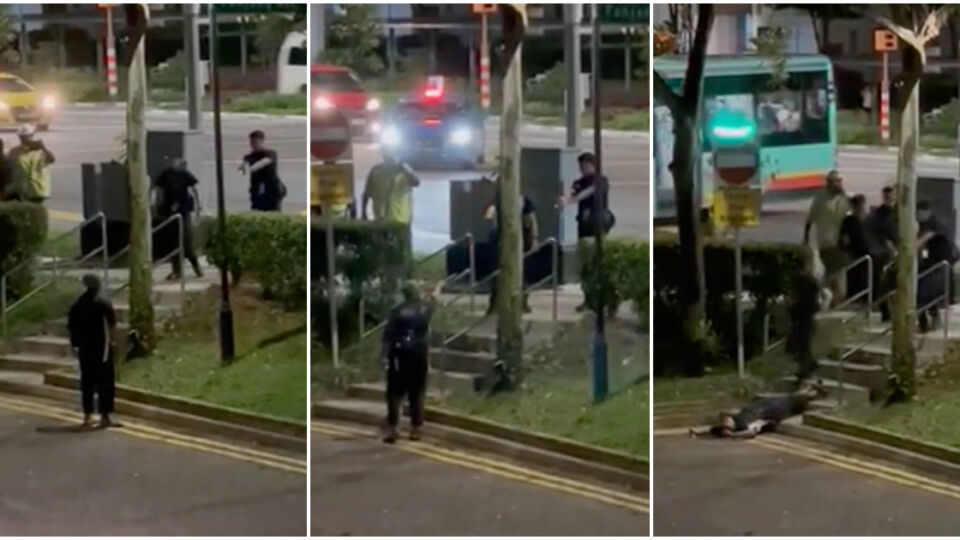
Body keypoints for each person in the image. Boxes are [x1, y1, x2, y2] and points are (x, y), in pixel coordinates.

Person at [381, 281, 442, 443]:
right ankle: (416, 428)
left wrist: (384, 357)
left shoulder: (397, 311)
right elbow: (434, 301)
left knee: (395, 393)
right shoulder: (424, 309)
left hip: (398, 355)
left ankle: (394, 428)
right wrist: (436, 290)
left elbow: (387, 336)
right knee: (417, 392)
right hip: (418, 354)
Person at [559, 152, 614, 312]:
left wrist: (571, 200)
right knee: (586, 267)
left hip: (598, 226)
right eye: (581, 166)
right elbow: (573, 192)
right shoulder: (579, 182)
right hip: (583, 228)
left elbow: (589, 192)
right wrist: (565, 199)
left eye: (586, 166)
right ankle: (588, 299)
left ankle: (607, 300)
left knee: (599, 263)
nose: (583, 169)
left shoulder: (600, 180)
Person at [67, 274, 117, 428]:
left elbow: (71, 327)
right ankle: (105, 416)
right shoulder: (102, 304)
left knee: (87, 381)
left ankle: (87, 416)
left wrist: (75, 345)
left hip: (84, 348)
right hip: (102, 348)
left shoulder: (77, 305)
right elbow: (112, 322)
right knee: (105, 382)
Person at [689, 383, 826, 439]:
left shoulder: (737, 418)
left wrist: (699, 433)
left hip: (765, 405)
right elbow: (751, 433)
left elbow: (712, 429)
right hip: (774, 411)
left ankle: (810, 389)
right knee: (794, 400)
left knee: (790, 397)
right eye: (726, 423)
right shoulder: (746, 425)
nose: (727, 419)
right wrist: (734, 436)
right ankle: (814, 392)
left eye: (726, 420)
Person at [484, 181, 538, 315]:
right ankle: (495, 302)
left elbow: (532, 219)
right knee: (498, 270)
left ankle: (522, 301)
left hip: (520, 238)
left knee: (521, 271)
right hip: (501, 238)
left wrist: (534, 238)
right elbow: (490, 213)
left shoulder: (523, 200)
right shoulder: (499, 200)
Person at [362, 152, 420, 268]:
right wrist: (363, 213)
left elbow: (416, 182)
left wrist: (404, 168)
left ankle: (405, 273)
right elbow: (366, 193)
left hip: (401, 219)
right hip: (381, 219)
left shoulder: (404, 171)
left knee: (402, 250)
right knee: (382, 250)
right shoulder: (376, 171)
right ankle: (384, 272)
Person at [804, 170, 849, 306]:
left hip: (841, 244)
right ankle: (827, 301)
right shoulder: (820, 198)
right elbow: (810, 220)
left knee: (840, 284)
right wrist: (806, 240)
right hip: (827, 243)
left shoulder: (844, 199)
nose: (838, 184)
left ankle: (833, 301)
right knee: (831, 277)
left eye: (839, 181)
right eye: (835, 181)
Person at [154, 157, 204, 280]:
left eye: (176, 160)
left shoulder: (185, 175)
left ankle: (196, 267)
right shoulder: (165, 175)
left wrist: (198, 205)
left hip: (184, 210)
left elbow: (194, 189)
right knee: (173, 242)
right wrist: (155, 203)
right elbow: (157, 189)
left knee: (186, 241)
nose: (174, 163)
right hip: (170, 211)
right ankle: (177, 271)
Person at [916, 201, 957, 333]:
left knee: (926, 289)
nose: (918, 216)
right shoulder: (925, 223)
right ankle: (929, 319)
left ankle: (930, 319)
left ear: (926, 211)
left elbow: (924, 239)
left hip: (944, 261)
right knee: (925, 288)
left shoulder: (934, 223)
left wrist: (908, 249)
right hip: (934, 260)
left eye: (919, 213)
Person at [787, 247, 824, 381]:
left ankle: (807, 368)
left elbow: (794, 298)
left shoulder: (798, 280)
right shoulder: (810, 280)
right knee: (805, 344)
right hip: (807, 314)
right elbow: (817, 298)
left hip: (801, 315)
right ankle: (807, 367)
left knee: (803, 344)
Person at [867, 186, 898, 321]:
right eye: (886, 195)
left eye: (890, 195)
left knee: (897, 282)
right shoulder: (879, 214)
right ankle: (885, 311)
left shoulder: (900, 211)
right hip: (884, 252)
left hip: (899, 249)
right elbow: (875, 231)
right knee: (884, 282)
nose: (888, 198)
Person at [9, 125, 55, 204]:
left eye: (27, 136)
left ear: (32, 136)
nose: (25, 139)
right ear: (20, 138)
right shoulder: (14, 151)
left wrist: (43, 148)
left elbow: (52, 159)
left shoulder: (41, 151)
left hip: (38, 189)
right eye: (23, 137)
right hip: (22, 189)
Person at [241, 130, 285, 211]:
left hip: (271, 190)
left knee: (272, 211)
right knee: (256, 209)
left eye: (256, 142)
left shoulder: (270, 153)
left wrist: (253, 167)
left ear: (262, 141)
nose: (253, 145)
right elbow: (244, 162)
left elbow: (265, 161)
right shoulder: (250, 156)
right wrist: (243, 165)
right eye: (251, 142)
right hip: (257, 191)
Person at [839, 194, 870, 302]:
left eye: (860, 205)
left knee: (867, 277)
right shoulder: (849, 220)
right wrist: (845, 247)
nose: (858, 208)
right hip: (854, 252)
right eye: (856, 206)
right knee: (853, 276)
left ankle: (866, 298)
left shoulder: (869, 219)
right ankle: (853, 298)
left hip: (868, 252)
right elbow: (844, 237)